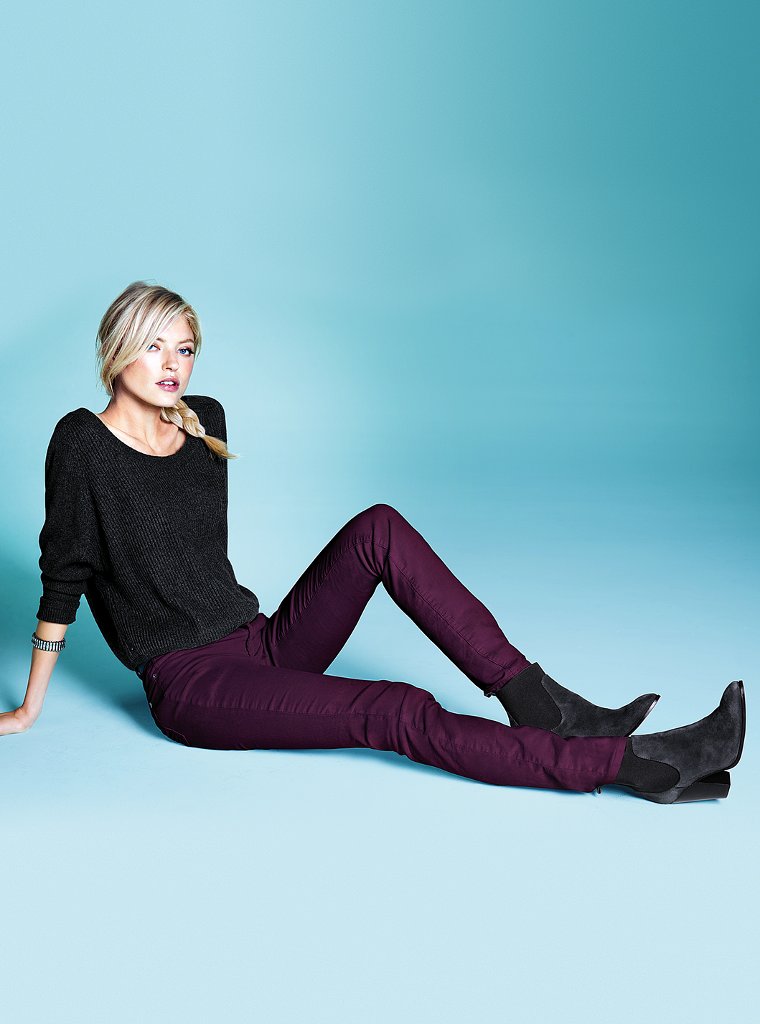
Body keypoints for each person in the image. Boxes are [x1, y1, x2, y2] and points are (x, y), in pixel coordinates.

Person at [2, 281, 746, 805]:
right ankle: (628, 765)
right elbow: (64, 578)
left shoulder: (205, 421)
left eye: (186, 348)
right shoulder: (81, 443)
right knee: (394, 709)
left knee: (378, 527)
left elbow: (199, 566)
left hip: (260, 642)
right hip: (195, 685)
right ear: (118, 350)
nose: (173, 365)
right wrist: (30, 708)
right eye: (155, 346)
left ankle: (537, 700)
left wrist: (257, 638)